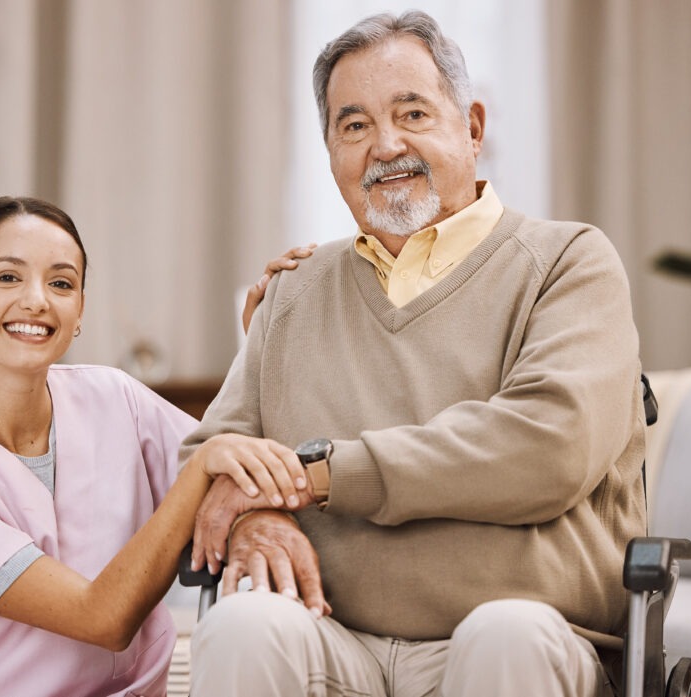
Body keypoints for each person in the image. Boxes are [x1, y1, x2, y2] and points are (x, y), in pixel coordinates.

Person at [182, 10, 646, 697]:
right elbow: (214, 455)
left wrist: (319, 474)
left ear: (473, 127)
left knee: (505, 635)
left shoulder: (568, 263)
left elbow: (548, 446)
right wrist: (250, 514)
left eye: (413, 113)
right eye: (354, 125)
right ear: (332, 152)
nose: (385, 144)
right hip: (333, 633)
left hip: (516, 633)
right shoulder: (294, 289)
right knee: (242, 626)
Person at [0, 195, 312, 696]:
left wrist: (264, 348)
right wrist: (204, 467)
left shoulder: (115, 399)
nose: (36, 300)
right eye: (8, 277)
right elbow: (102, 618)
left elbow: (243, 467)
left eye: (60, 283)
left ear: (79, 311)